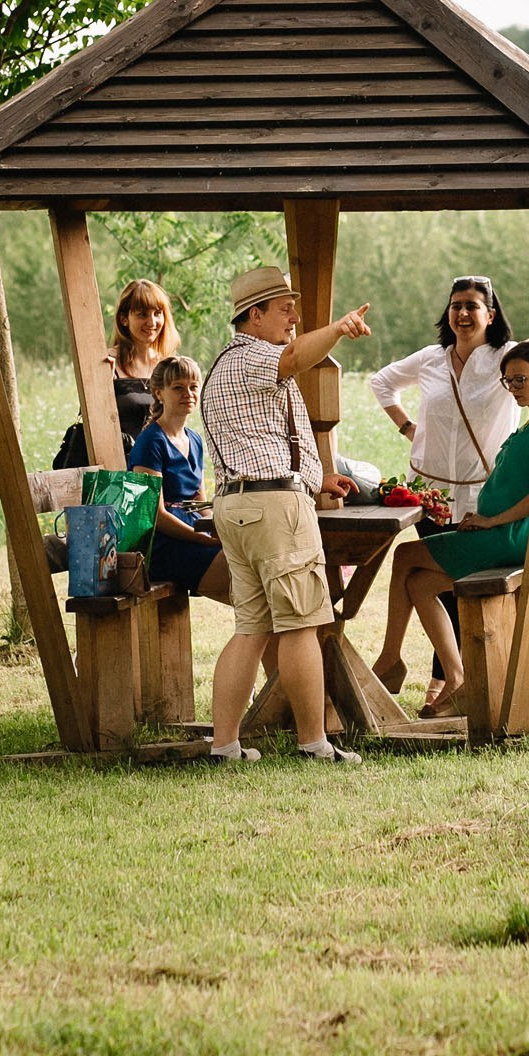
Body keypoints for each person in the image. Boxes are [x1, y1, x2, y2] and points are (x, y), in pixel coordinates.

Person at [200, 265, 372, 765]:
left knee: (251, 628)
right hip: (273, 508)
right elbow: (296, 356)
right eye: (284, 308)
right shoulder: (258, 356)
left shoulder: (226, 364)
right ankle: (313, 743)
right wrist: (339, 329)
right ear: (254, 316)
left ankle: (225, 746)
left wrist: (317, 477)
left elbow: (258, 440)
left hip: (236, 503)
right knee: (301, 624)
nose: (294, 317)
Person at [378, 340, 529, 714]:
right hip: (497, 530)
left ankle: (391, 659)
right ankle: (457, 677)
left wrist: (492, 519)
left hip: (509, 536)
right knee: (419, 582)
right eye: (508, 382)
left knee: (405, 555)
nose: (515, 388)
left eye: (521, 379)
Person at [366, 276, 517, 695]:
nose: (463, 314)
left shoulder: (506, 357)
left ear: (491, 313)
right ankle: (445, 679)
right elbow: (381, 383)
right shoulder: (432, 358)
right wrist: (408, 428)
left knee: (452, 579)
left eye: (472, 305)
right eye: (456, 305)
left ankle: (448, 678)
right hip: (430, 491)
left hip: (482, 492)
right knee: (439, 582)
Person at [129, 355, 228, 601]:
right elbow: (155, 515)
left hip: (195, 534)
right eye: (178, 388)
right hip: (163, 545)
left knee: (253, 566)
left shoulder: (194, 439)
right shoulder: (151, 441)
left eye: (193, 387)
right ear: (159, 393)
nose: (188, 394)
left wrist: (222, 532)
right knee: (250, 581)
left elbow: (202, 504)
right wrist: (203, 540)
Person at [104, 278, 177, 453]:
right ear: (123, 319)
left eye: (157, 313)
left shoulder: (169, 365)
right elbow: (94, 420)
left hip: (159, 469)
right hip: (117, 471)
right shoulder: (107, 362)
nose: (152, 322)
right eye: (142, 314)